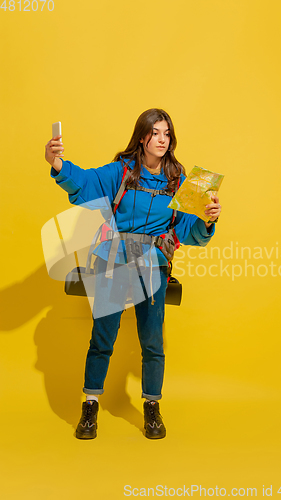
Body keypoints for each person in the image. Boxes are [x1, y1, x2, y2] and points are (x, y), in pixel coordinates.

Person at [45, 108, 221, 440]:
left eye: (167, 134)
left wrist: (208, 219)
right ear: (142, 137)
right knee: (103, 339)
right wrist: (56, 163)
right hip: (114, 261)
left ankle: (152, 407)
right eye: (155, 133)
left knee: (152, 342)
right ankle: (91, 405)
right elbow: (84, 181)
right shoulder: (121, 173)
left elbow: (189, 231)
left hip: (153, 266)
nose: (162, 139)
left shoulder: (182, 181)